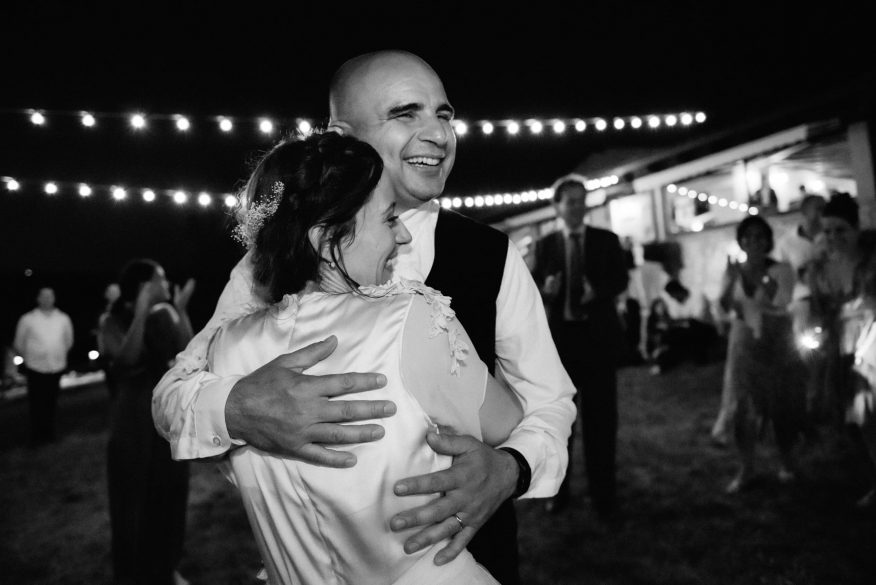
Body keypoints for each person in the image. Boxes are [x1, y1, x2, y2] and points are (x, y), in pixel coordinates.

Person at [152, 50, 576, 585]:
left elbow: (550, 400)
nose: (438, 135)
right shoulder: (270, 264)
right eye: (405, 113)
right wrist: (236, 407)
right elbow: (172, 395)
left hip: (461, 553)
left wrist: (512, 467)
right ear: (341, 137)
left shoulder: (491, 254)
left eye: (444, 114)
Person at [209, 131, 522, 584]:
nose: (403, 234)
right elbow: (507, 422)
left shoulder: (226, 348)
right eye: (389, 218)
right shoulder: (408, 319)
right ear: (327, 239)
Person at [530, 175, 628, 519]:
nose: (577, 206)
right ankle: (559, 492)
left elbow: (621, 279)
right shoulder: (545, 245)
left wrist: (597, 291)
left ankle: (604, 495)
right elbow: (533, 286)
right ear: (557, 207)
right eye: (570, 201)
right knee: (562, 424)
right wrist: (547, 290)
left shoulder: (606, 240)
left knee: (602, 422)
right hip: (563, 345)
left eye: (581, 200)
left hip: (599, 341)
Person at [99, 259, 195, 585]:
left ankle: (166, 567)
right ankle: (134, 575)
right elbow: (126, 358)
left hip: (164, 420)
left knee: (170, 494)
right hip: (132, 423)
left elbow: (188, 351)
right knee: (133, 501)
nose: (166, 284)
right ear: (144, 286)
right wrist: (140, 312)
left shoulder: (163, 317)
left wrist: (180, 310)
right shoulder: (112, 321)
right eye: (160, 279)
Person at [714, 216, 805, 493]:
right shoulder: (733, 271)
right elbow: (725, 307)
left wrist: (758, 275)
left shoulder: (781, 269)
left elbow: (781, 300)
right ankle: (747, 467)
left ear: (767, 241)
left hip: (776, 341)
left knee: (780, 403)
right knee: (743, 405)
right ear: (741, 241)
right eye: (748, 237)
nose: (753, 242)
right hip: (744, 343)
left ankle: (787, 463)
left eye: (759, 236)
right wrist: (733, 279)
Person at [806, 192, 861, 429]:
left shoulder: (869, 265)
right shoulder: (820, 271)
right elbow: (819, 311)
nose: (833, 237)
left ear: (856, 229)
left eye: (840, 230)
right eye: (827, 231)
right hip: (839, 348)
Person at [13, 287, 73, 445]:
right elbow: (19, 342)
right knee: (36, 402)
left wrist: (58, 354)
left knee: (51, 400)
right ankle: (36, 436)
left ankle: (50, 433)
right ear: (38, 298)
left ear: (54, 298)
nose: (47, 299)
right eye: (44, 296)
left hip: (56, 366)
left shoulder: (63, 318)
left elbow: (68, 340)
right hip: (35, 367)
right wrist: (31, 358)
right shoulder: (28, 319)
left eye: (50, 296)